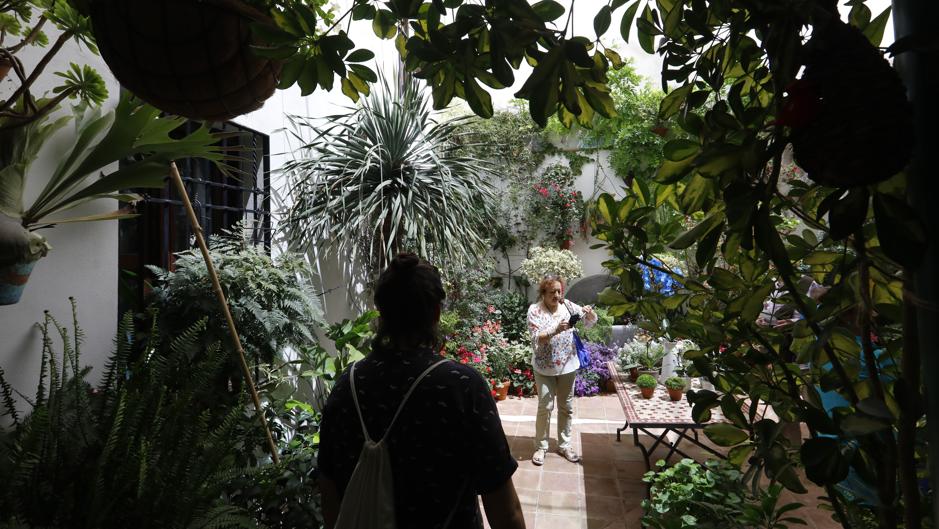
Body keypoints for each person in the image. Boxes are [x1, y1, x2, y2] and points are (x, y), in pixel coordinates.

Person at [317, 253, 525, 529]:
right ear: (436, 313)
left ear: (382, 313)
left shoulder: (348, 384)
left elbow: (329, 491)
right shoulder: (461, 386)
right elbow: (505, 510)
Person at [526, 274, 596, 466]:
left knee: (566, 407)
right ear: (543, 293)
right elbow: (535, 337)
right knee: (545, 406)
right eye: (552, 292)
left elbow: (589, 322)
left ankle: (564, 445)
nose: (557, 295)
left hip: (568, 364)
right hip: (544, 366)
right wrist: (556, 330)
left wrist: (588, 313)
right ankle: (541, 447)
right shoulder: (535, 311)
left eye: (559, 291)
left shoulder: (567, 305)